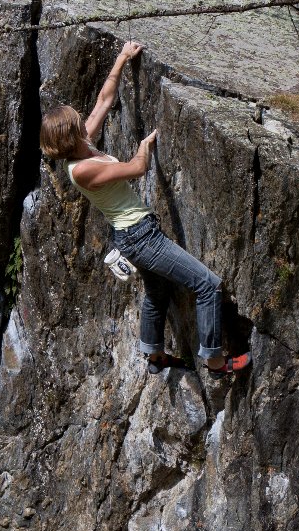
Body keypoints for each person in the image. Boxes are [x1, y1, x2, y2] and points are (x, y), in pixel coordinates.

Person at [39, 40, 251, 377]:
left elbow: (103, 101)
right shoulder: (82, 169)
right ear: (73, 132)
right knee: (207, 284)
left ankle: (153, 353)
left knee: (158, 289)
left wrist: (122, 58)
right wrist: (143, 148)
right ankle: (214, 361)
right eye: (77, 121)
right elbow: (137, 169)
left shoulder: (83, 146)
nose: (83, 120)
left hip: (131, 235)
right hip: (140, 237)